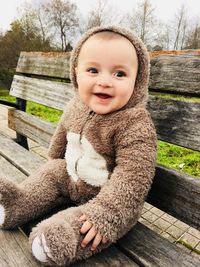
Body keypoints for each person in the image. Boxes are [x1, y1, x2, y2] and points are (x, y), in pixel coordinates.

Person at [0, 25, 157, 266]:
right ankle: (14, 204)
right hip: (72, 180)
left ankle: (62, 238)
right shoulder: (76, 106)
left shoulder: (134, 124)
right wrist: (52, 161)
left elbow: (134, 177)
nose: (104, 81)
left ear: (137, 81)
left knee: (89, 225)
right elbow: (62, 134)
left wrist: (107, 213)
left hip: (109, 203)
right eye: (93, 70)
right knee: (53, 171)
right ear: (76, 73)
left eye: (119, 74)